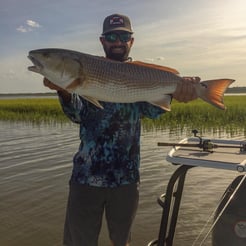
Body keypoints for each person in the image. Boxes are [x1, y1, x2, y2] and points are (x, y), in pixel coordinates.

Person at [44, 13, 199, 246]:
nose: (118, 42)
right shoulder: (86, 71)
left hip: (126, 178)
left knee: (122, 241)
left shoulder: (141, 74)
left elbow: (153, 111)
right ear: (103, 41)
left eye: (123, 36)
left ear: (131, 41)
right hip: (85, 178)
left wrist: (178, 92)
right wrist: (64, 90)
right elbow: (77, 115)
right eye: (112, 36)